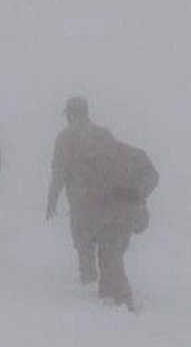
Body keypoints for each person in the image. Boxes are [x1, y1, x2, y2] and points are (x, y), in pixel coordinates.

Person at [46, 97, 158, 308]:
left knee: (89, 246)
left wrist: (52, 197)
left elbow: (60, 171)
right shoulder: (104, 134)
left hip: (86, 202)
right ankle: (106, 292)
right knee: (110, 247)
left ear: (70, 114)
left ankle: (101, 290)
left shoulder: (65, 138)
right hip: (114, 201)